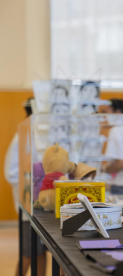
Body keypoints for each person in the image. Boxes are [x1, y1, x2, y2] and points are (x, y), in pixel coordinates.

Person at [4, 98, 48, 276]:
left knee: (41, 251)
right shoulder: (22, 135)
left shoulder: (38, 136)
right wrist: (35, 182)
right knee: (29, 253)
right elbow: (11, 173)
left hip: (41, 206)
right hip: (28, 207)